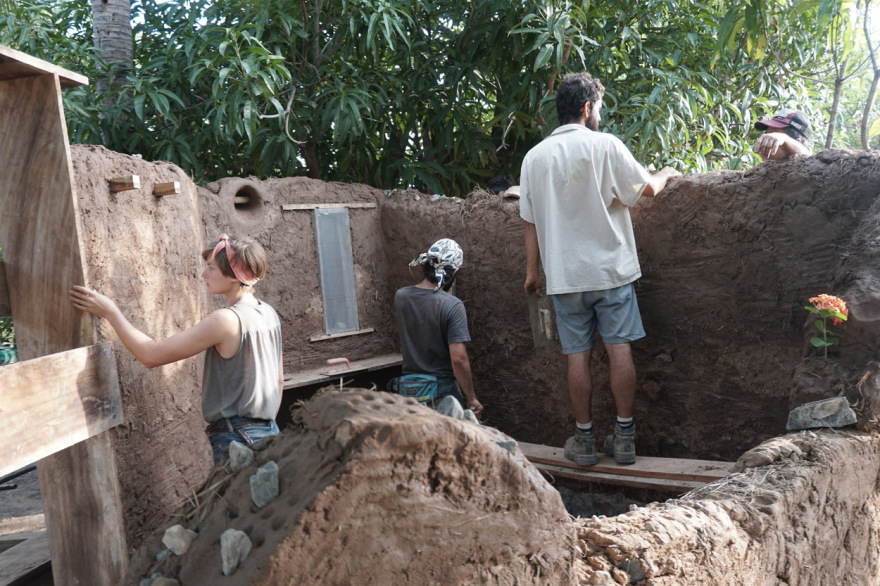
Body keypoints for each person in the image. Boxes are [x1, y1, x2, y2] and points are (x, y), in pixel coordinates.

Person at [519, 72, 680, 466]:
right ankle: (624, 439)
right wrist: (667, 172)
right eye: (599, 109)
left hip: (564, 277)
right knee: (618, 349)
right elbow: (647, 190)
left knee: (577, 356)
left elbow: (530, 222)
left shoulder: (534, 158)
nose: (599, 116)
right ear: (587, 107)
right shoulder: (605, 145)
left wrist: (532, 272)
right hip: (611, 272)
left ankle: (584, 440)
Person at [70, 234, 283, 465]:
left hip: (239, 437)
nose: (204, 274)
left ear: (234, 275)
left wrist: (111, 312)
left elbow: (150, 356)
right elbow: (279, 381)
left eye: (211, 268)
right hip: (270, 431)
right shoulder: (268, 313)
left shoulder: (226, 321)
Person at [394, 238, 484, 419]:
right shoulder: (452, 306)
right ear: (454, 272)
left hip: (409, 390)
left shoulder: (401, 296)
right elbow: (458, 359)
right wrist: (471, 398)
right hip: (441, 392)